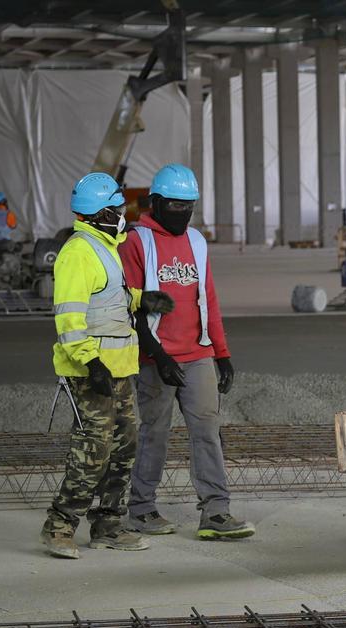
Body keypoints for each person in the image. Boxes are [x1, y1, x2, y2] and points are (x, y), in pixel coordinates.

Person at [41, 172, 174, 559]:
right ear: (100, 213)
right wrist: (90, 362)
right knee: (93, 449)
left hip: (118, 368)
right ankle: (59, 526)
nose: (123, 215)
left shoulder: (105, 246)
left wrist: (141, 299)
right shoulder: (77, 252)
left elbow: (108, 297)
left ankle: (109, 526)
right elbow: (69, 318)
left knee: (124, 446)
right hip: (90, 371)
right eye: (117, 209)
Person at [120, 164, 252, 542]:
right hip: (155, 357)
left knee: (207, 431)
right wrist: (158, 356)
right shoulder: (136, 242)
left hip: (198, 355)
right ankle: (141, 509)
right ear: (156, 203)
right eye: (176, 206)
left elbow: (207, 298)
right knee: (154, 433)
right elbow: (130, 306)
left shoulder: (196, 241)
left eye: (189, 207)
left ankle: (216, 511)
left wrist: (221, 353)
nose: (183, 214)